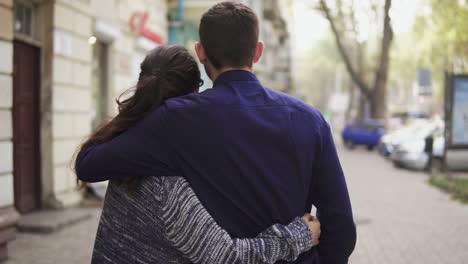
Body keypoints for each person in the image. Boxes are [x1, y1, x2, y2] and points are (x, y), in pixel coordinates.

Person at [76, 2, 356, 263]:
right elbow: (340, 225)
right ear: (257, 52)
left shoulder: (175, 119)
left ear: (201, 52)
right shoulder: (310, 121)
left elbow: (90, 165)